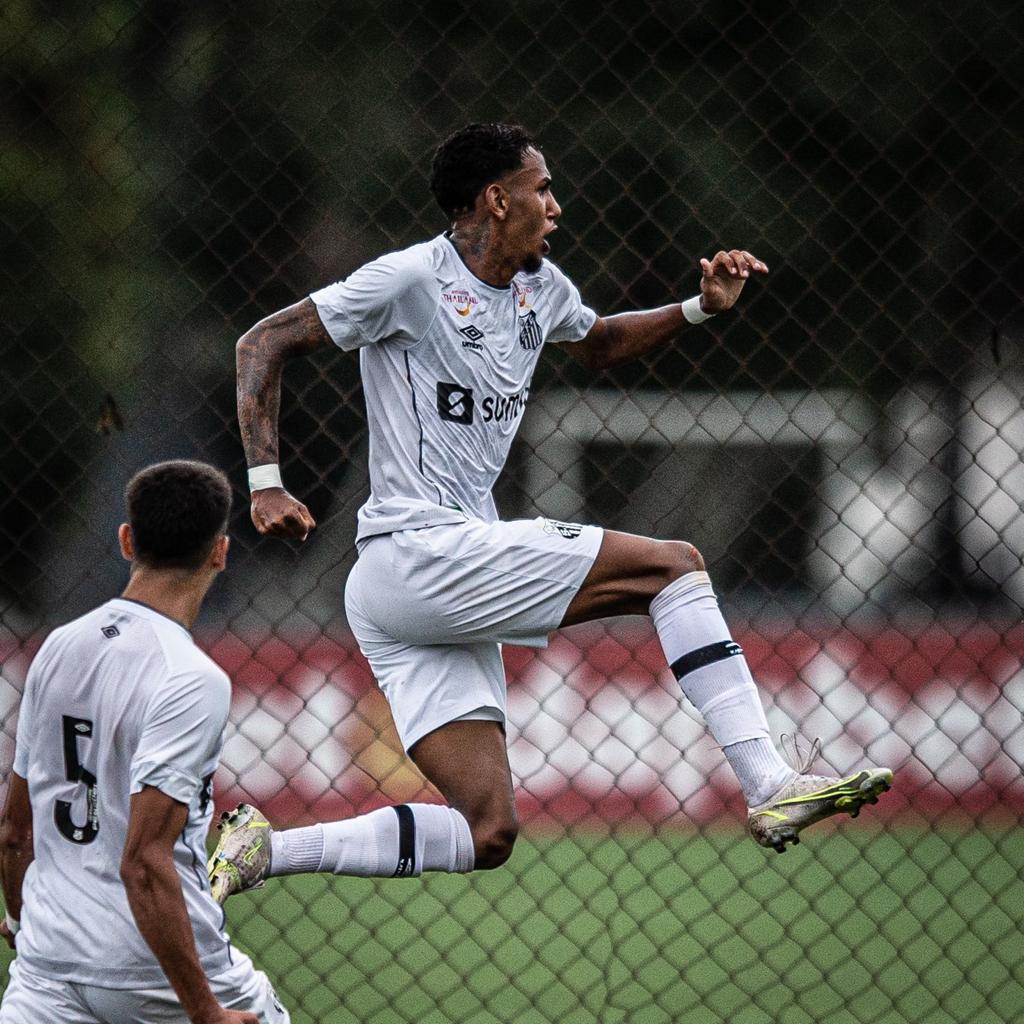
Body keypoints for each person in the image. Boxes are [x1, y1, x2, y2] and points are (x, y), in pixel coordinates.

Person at [209, 122, 891, 902]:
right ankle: (768, 778)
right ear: (498, 200)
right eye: (542, 188)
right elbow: (261, 342)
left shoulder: (540, 288)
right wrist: (265, 482)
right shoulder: (406, 281)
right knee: (675, 568)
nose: (556, 206)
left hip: (415, 590)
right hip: (418, 551)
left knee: (486, 830)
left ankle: (267, 850)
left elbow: (598, 342)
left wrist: (698, 309)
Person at [0, 461, 288, 1024]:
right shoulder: (191, 678)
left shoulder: (58, 647)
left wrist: (22, 921)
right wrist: (205, 1010)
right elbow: (144, 861)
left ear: (127, 539)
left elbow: (15, 831)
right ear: (221, 553)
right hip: (151, 975)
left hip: (47, 971)